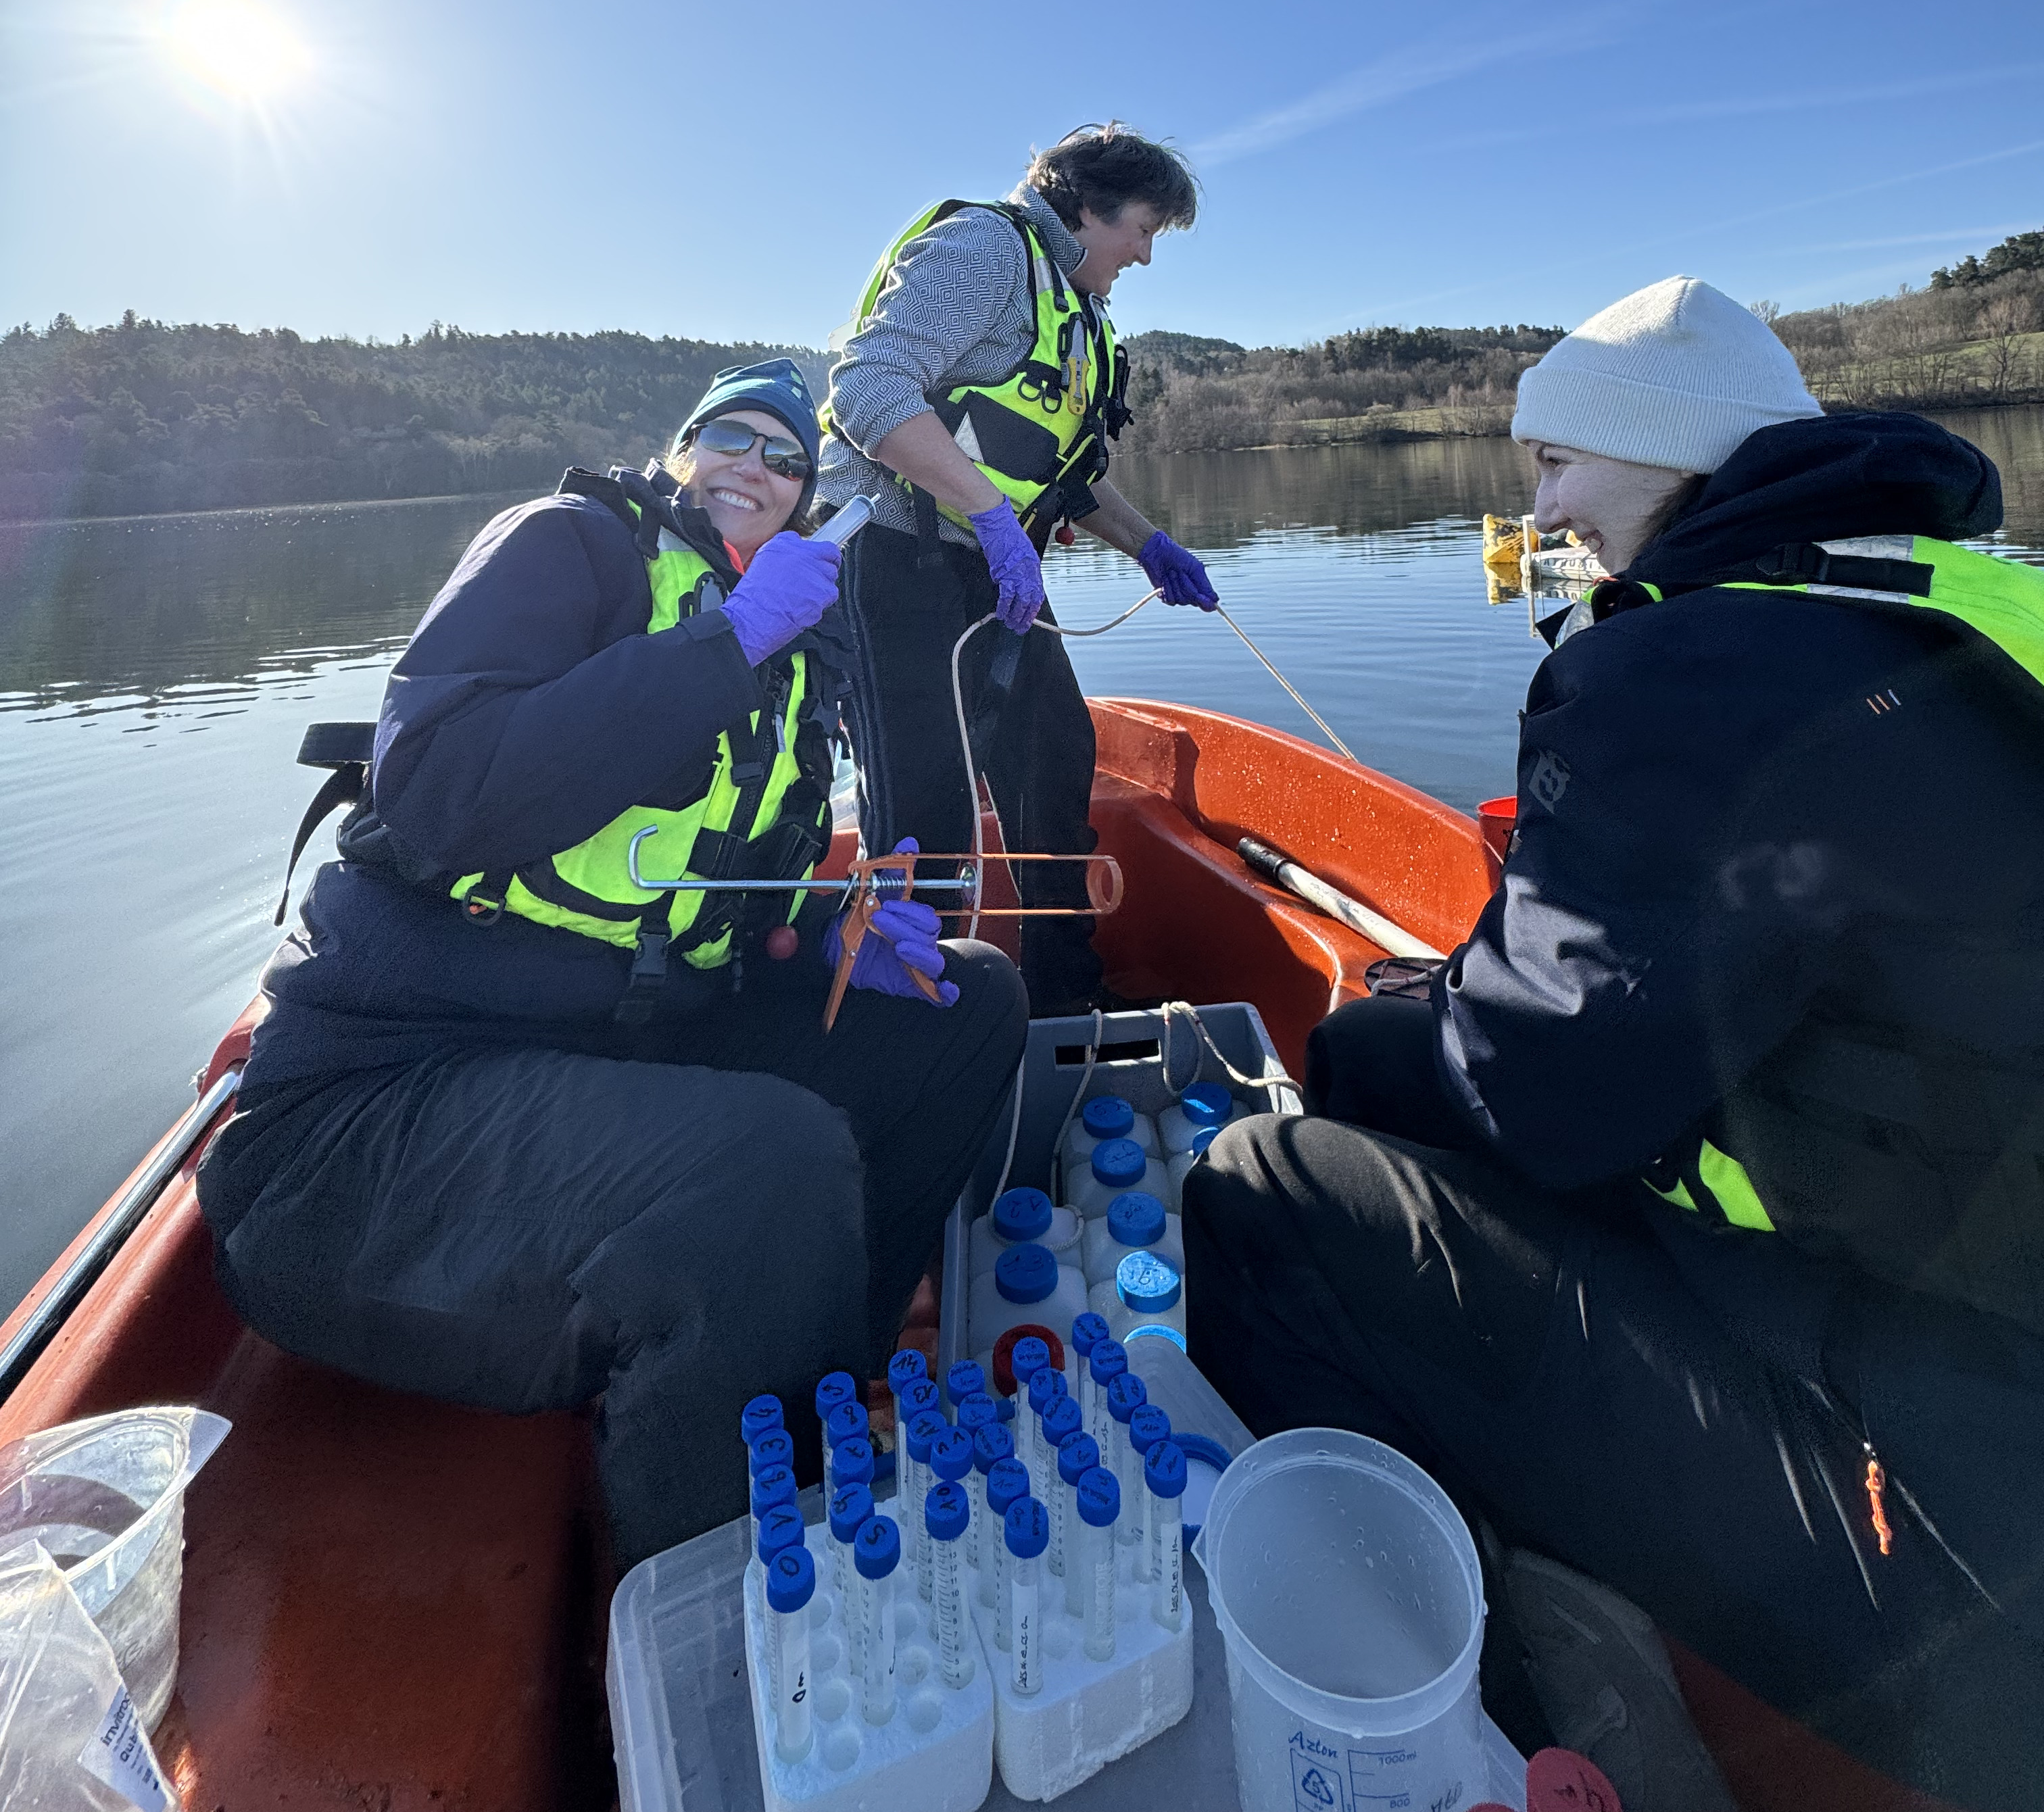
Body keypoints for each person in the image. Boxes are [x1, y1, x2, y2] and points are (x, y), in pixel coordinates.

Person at [1184, 277, 2044, 1810]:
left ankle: (1495, 1731)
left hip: (1979, 1553)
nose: (1545, 506)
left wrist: (1357, 1051)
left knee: (1268, 1186)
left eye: (1559, 463)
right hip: (1977, 1329)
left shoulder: (1680, 664)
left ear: (1668, 455)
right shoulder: (1977, 601)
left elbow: (1536, 1103)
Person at [198, 358, 1028, 1563]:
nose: (758, 465)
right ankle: (722, 1613)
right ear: (682, 450)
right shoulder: (570, 546)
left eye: (788, 459)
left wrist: (839, 934)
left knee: (970, 1001)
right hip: (366, 1123)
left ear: (805, 499)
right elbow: (437, 794)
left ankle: (817, 1397)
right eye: (732, 437)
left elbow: (717, 910)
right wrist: (728, 643)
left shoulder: (798, 649)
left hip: (600, 1050)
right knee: (769, 1167)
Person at [817, 125, 1215, 1014]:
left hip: (995, 576)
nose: (1145, 256)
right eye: (1142, 230)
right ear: (1084, 208)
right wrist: (995, 517)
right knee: (926, 805)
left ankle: (1063, 994)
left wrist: (1150, 545)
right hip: (896, 561)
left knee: (1053, 759)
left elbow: (1068, 474)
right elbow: (867, 388)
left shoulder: (1076, 309)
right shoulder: (987, 248)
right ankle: (911, 1004)